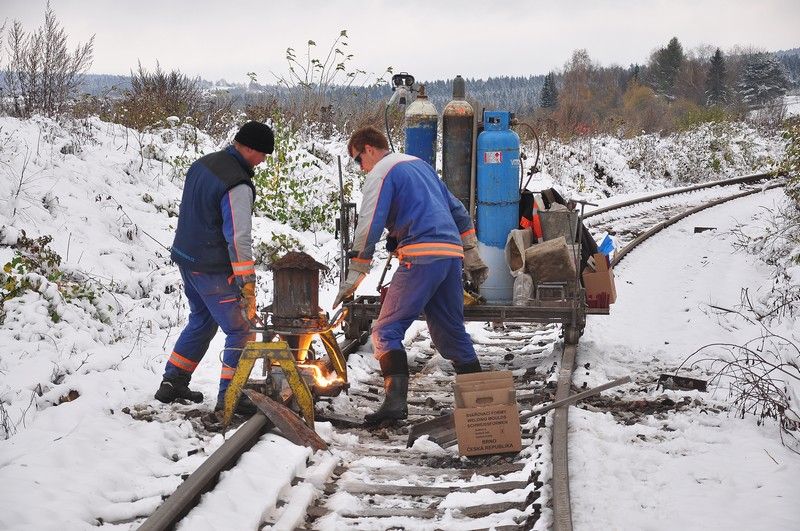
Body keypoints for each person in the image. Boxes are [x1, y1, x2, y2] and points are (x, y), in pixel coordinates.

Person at [333, 126, 489, 425]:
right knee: (450, 333)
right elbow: (456, 210)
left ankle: (394, 404)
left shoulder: (381, 172)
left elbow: (369, 221)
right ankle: (482, 404)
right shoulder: (420, 166)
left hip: (421, 256)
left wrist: (357, 269)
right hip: (450, 255)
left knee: (385, 330)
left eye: (357, 160)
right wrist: (469, 251)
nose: (360, 167)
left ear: (368, 149)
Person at [154, 121, 274, 415]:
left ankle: (173, 382)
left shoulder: (203, 165)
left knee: (202, 320)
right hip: (211, 267)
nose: (263, 160)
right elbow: (238, 237)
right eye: (262, 154)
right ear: (247, 148)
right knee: (242, 329)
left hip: (186, 258)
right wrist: (246, 281)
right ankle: (231, 397)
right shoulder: (237, 184)